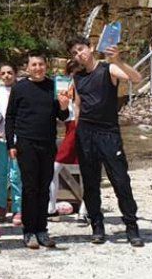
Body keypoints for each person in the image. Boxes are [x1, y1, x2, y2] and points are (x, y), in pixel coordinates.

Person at [67, 37, 144, 247]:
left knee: (120, 181)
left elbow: (136, 78)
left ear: (91, 48)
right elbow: (78, 106)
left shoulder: (108, 69)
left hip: (108, 133)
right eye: (74, 53)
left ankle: (131, 226)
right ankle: (97, 226)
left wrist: (118, 60)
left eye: (81, 49)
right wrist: (75, 131)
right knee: (90, 183)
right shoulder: (77, 77)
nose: (78, 55)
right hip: (86, 133)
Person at [5, 53, 70, 249]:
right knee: (30, 188)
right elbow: (10, 117)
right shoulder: (20, 88)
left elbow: (62, 116)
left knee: (44, 187)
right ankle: (29, 231)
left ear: (46, 66)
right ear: (28, 67)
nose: (38, 68)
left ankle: (42, 229)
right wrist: (11, 144)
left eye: (41, 64)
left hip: (48, 143)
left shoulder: (54, 87)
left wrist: (64, 106)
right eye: (34, 64)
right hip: (26, 144)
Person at [47, 60, 86, 222]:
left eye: (78, 73)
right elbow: (60, 114)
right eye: (72, 73)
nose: (74, 76)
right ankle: (51, 207)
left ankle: (84, 209)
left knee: (86, 171)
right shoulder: (63, 91)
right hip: (71, 130)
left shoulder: (87, 89)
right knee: (54, 169)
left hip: (82, 129)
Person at [0, 62, 23, 226]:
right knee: (0, 174)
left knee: (16, 174)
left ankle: (18, 208)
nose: (6, 76)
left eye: (10, 73)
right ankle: (1, 207)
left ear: (15, 74)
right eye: (3, 73)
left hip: (16, 138)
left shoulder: (21, 89)